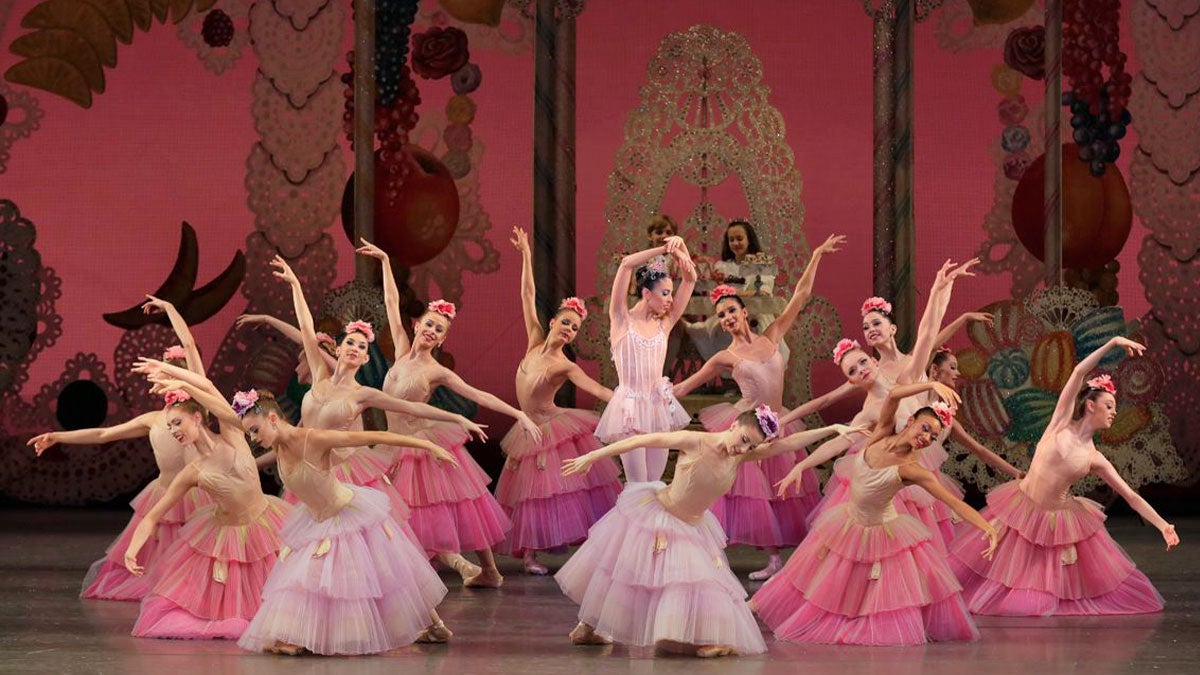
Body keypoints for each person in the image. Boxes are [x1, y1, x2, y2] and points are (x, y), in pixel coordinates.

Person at [557, 406, 855, 657]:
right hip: (659, 515)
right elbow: (644, 440)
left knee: (700, 584)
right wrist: (592, 457)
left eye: (750, 446)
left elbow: (787, 444)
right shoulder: (694, 440)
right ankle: (589, 626)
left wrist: (833, 430)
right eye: (743, 439)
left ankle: (692, 636)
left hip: (693, 526)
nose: (743, 448)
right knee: (628, 574)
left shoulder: (740, 457)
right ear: (734, 424)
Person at [270, 254, 491, 585]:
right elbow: (304, 327)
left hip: (346, 469)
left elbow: (415, 409)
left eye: (362, 347)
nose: (356, 349)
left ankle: (423, 592)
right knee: (309, 539)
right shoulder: (319, 374)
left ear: (364, 357)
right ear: (340, 348)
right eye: (351, 344)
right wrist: (295, 285)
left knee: (370, 537)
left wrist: (459, 418)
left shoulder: (364, 394)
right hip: (309, 468)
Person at [192, 387, 460, 655]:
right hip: (316, 520)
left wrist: (429, 445)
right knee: (305, 579)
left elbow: (372, 435)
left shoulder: (314, 439)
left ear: (273, 419)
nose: (253, 438)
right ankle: (299, 636)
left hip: (346, 514)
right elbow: (219, 409)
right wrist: (182, 382)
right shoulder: (278, 445)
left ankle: (432, 624)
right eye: (249, 432)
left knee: (386, 572)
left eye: (254, 430)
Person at [752, 382, 999, 646]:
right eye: (926, 428)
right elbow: (893, 394)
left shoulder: (912, 469)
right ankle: (760, 606)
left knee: (876, 590)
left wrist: (988, 528)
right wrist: (931, 384)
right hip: (849, 520)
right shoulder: (881, 432)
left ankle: (861, 624)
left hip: (882, 528)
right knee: (821, 574)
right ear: (911, 421)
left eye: (933, 437)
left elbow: (952, 501)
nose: (927, 438)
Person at [358, 240, 543, 589]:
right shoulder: (399, 350)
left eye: (439, 330)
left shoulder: (435, 371)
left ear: (442, 339)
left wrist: (520, 414)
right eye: (428, 324)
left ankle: (487, 569)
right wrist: (384, 258)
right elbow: (391, 302)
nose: (431, 331)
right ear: (417, 325)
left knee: (462, 504)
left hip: (421, 444)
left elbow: (478, 394)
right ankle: (463, 568)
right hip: (394, 444)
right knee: (415, 511)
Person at [950, 337, 1179, 616]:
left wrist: (1162, 525)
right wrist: (1113, 343)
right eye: (1109, 405)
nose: (1114, 412)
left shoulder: (1095, 458)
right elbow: (1079, 372)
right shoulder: (1059, 424)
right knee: (986, 580)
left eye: (1115, 408)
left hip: (1057, 518)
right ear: (1090, 405)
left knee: (1037, 598)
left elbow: (1130, 495)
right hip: (1022, 508)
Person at [671, 233, 844, 579]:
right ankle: (708, 552)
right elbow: (684, 387)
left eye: (731, 311)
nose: (727, 318)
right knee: (736, 491)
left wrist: (817, 254)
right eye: (721, 315)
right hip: (747, 424)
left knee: (777, 492)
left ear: (744, 311)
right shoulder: (726, 355)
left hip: (777, 421)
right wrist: (643, 393)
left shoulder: (771, 336)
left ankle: (775, 559)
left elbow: (801, 296)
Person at [776, 259, 980, 548]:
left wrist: (939, 289)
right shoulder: (870, 399)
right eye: (865, 327)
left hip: (913, 462)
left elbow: (928, 333)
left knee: (920, 541)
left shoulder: (908, 370)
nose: (870, 329)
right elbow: (837, 440)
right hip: (885, 473)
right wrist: (802, 465)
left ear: (892, 329)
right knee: (883, 543)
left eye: (876, 323)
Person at [28, 296, 213, 601]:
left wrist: (171, 309)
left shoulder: (198, 409)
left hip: (196, 493)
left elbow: (190, 346)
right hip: (165, 491)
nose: (151, 377)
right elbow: (103, 434)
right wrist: (59, 437)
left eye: (159, 372)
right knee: (160, 560)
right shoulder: (153, 419)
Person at [121, 365, 292, 640]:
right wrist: (132, 549)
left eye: (178, 423)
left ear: (198, 418)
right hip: (227, 532)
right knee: (235, 608)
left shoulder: (233, 433)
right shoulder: (193, 471)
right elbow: (153, 515)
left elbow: (209, 387)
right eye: (169, 426)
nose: (174, 431)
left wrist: (174, 376)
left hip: (265, 522)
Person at [495, 227, 621, 575]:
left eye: (575, 328)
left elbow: (596, 390)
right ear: (552, 322)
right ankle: (530, 554)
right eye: (565, 322)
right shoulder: (534, 341)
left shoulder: (564, 364)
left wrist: (630, 399)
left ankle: (587, 551)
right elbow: (526, 294)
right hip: (528, 427)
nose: (569, 329)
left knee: (551, 493)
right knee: (524, 494)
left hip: (551, 429)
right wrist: (526, 256)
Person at [595, 237, 696, 483]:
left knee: (654, 484)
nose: (671, 299)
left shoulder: (665, 323)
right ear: (646, 293)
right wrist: (664, 250)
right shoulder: (621, 319)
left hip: (657, 408)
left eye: (671, 293)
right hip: (630, 409)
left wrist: (680, 246)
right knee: (637, 485)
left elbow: (691, 278)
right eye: (665, 293)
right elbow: (626, 264)